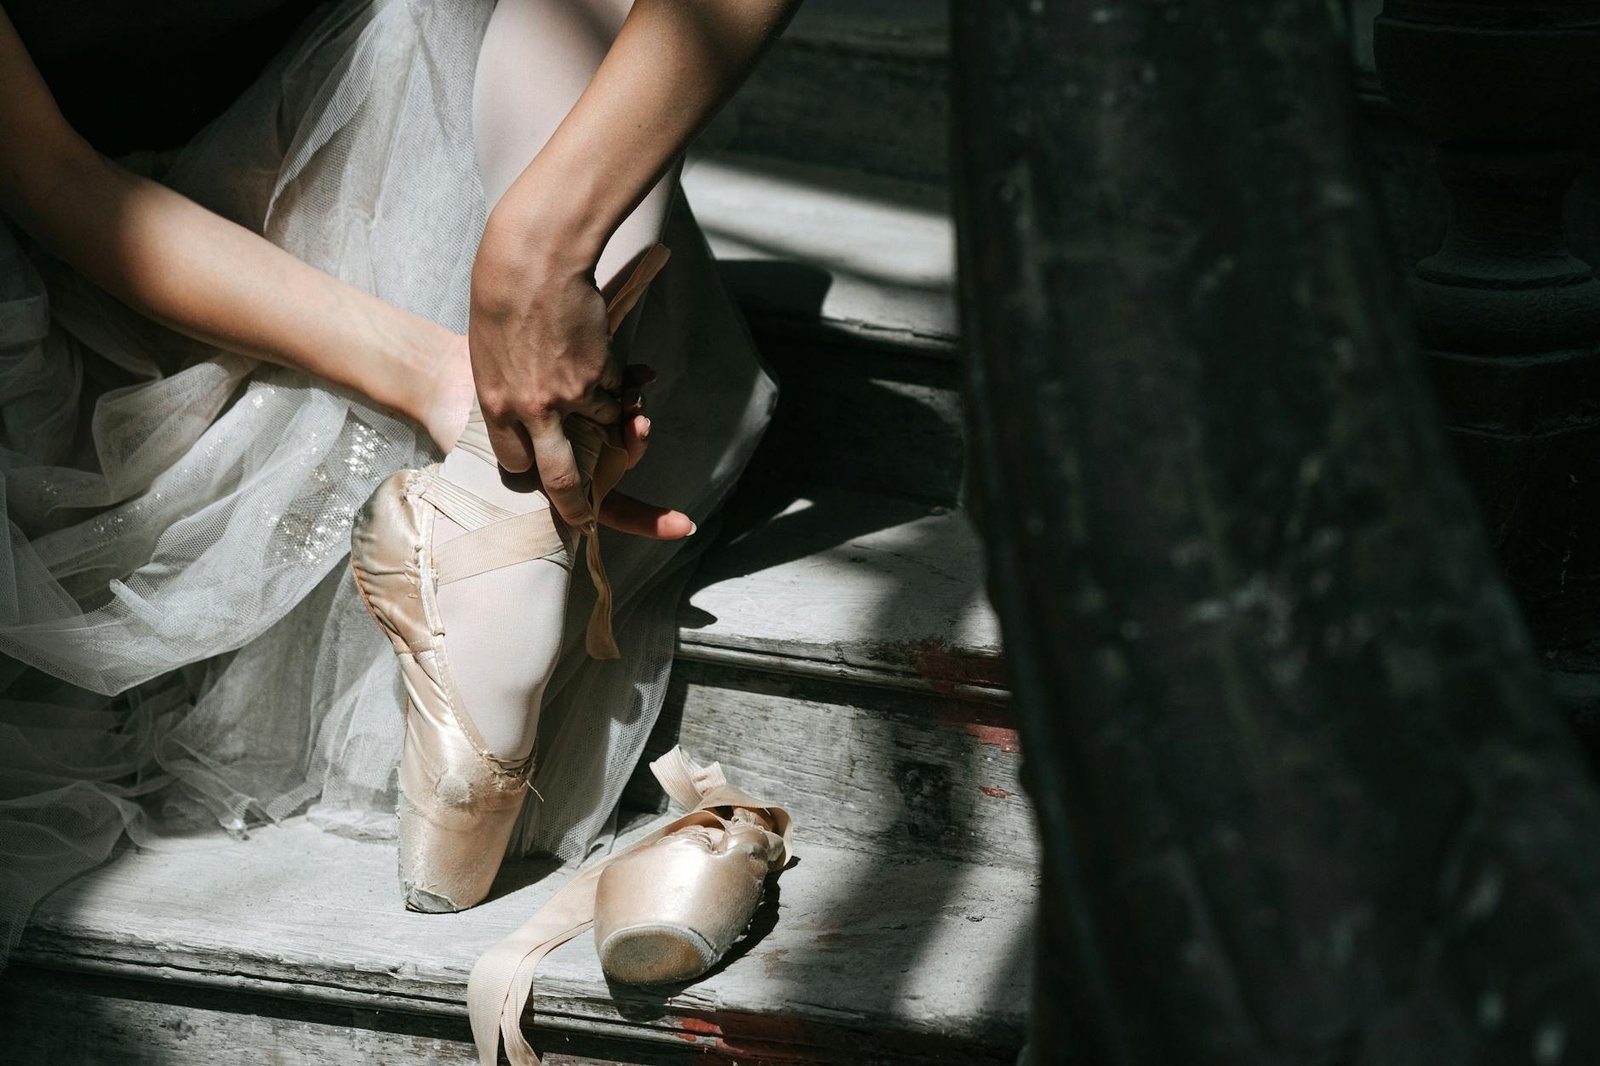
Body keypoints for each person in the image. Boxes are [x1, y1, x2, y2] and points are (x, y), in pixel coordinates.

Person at [0, 0, 797, 960]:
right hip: (130, 296)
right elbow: (56, 181)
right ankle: (501, 512)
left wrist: (542, 245)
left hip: (428, 195)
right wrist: (439, 373)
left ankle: (497, 511)